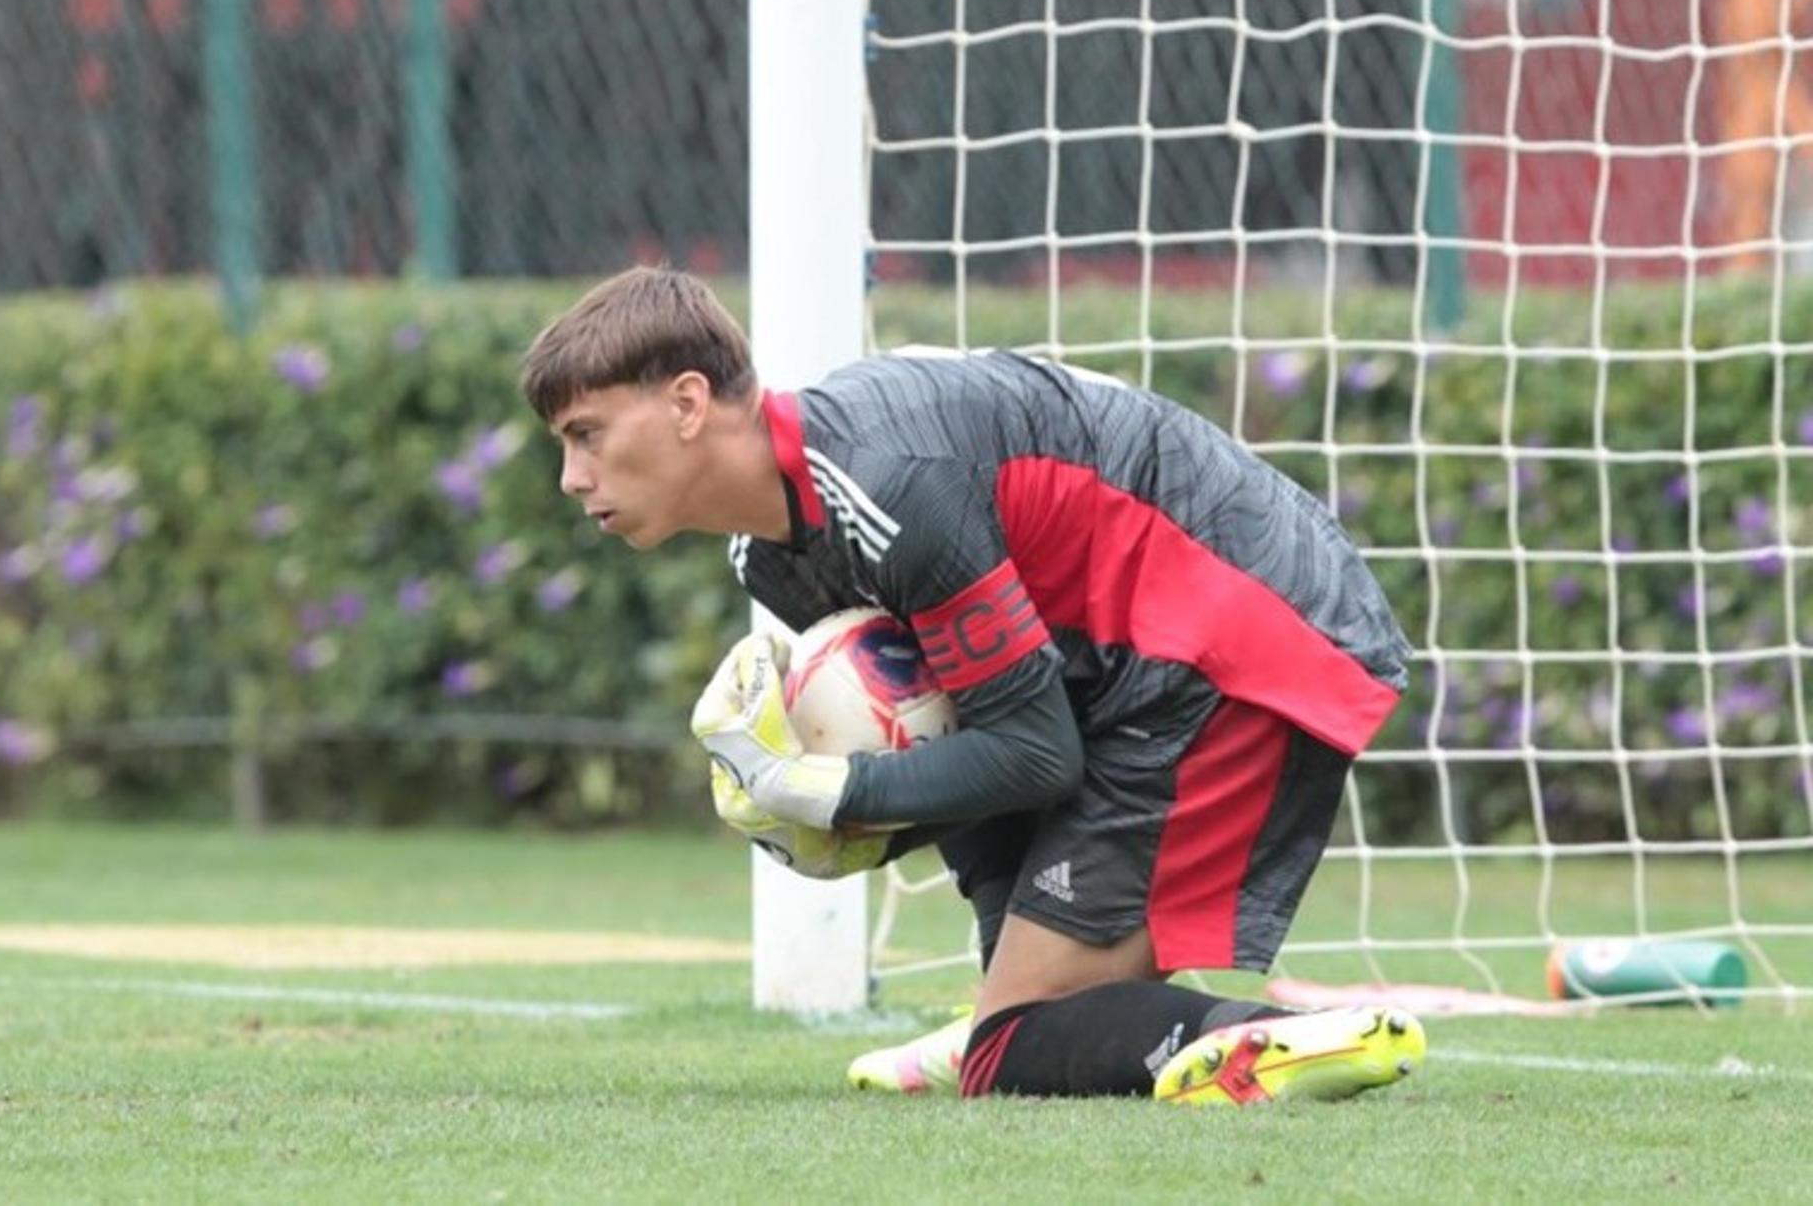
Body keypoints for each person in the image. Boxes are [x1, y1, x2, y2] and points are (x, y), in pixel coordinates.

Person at [520, 267, 1427, 1104]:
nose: (571, 477)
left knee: (1008, 1049)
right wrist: (827, 824)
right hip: (1119, 671)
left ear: (686, 403)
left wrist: (827, 791)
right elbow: (956, 720)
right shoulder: (771, 556)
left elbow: (1034, 754)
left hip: (1235, 638)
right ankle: (1017, 1008)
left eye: (586, 435)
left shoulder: (888, 487)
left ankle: (1290, 1036)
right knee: (1022, 1024)